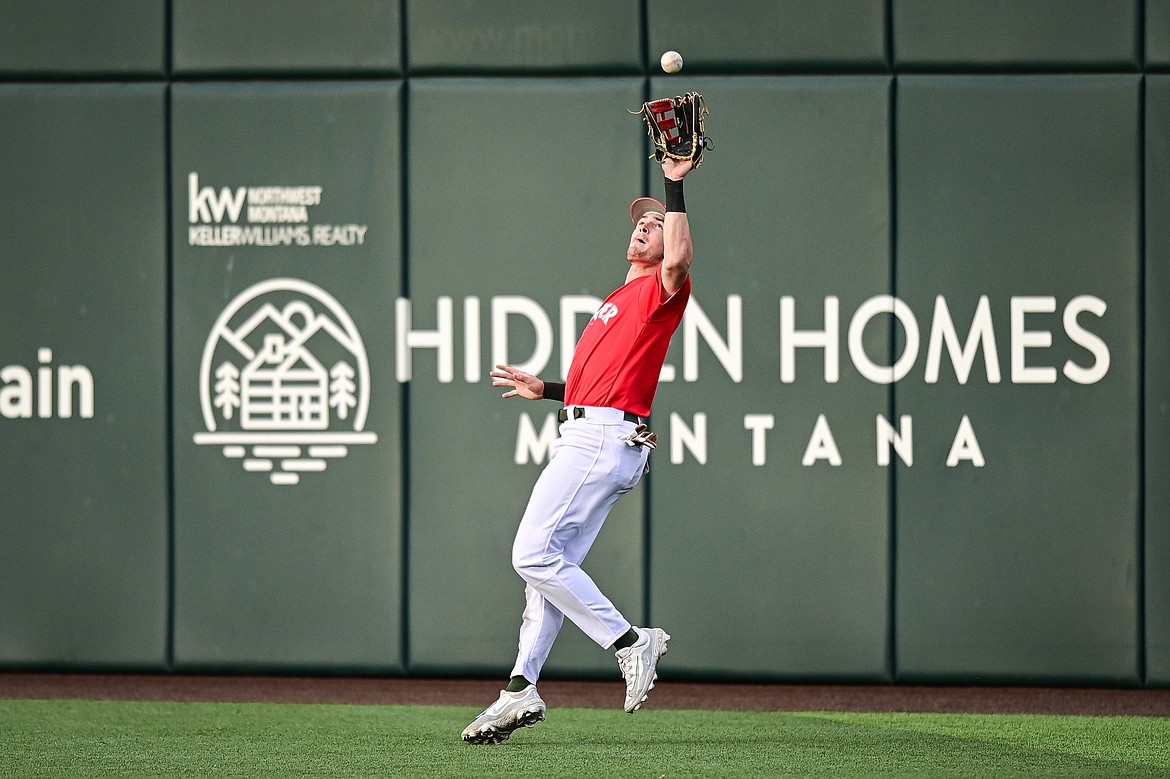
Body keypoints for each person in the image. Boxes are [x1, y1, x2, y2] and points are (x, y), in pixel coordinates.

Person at [461, 155, 697, 745]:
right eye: (641, 221)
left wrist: (676, 184)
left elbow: (681, 258)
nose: (644, 225)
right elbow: (601, 386)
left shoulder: (664, 288)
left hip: (600, 439)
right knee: (547, 568)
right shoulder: (622, 296)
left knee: (532, 555)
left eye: (657, 222)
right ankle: (519, 689)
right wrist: (546, 390)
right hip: (592, 429)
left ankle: (629, 640)